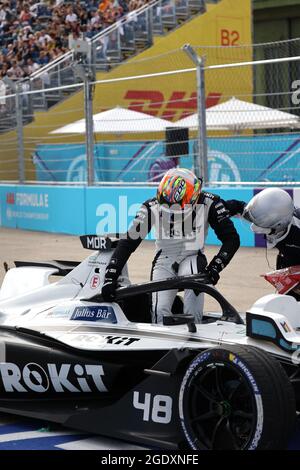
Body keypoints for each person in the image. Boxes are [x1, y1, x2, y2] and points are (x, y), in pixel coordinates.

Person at [101, 168, 240, 323]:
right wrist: (110, 276)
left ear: (194, 197)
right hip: (165, 258)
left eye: (179, 207)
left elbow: (231, 239)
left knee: (192, 306)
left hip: (192, 256)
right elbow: (128, 242)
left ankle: (195, 334)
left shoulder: (210, 202)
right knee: (159, 312)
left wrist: (215, 267)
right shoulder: (151, 206)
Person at [225, 187, 300, 269]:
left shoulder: (296, 229)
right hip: (286, 257)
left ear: (279, 225)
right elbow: (237, 206)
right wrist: (219, 207)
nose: (256, 224)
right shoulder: (265, 214)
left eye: (264, 227)